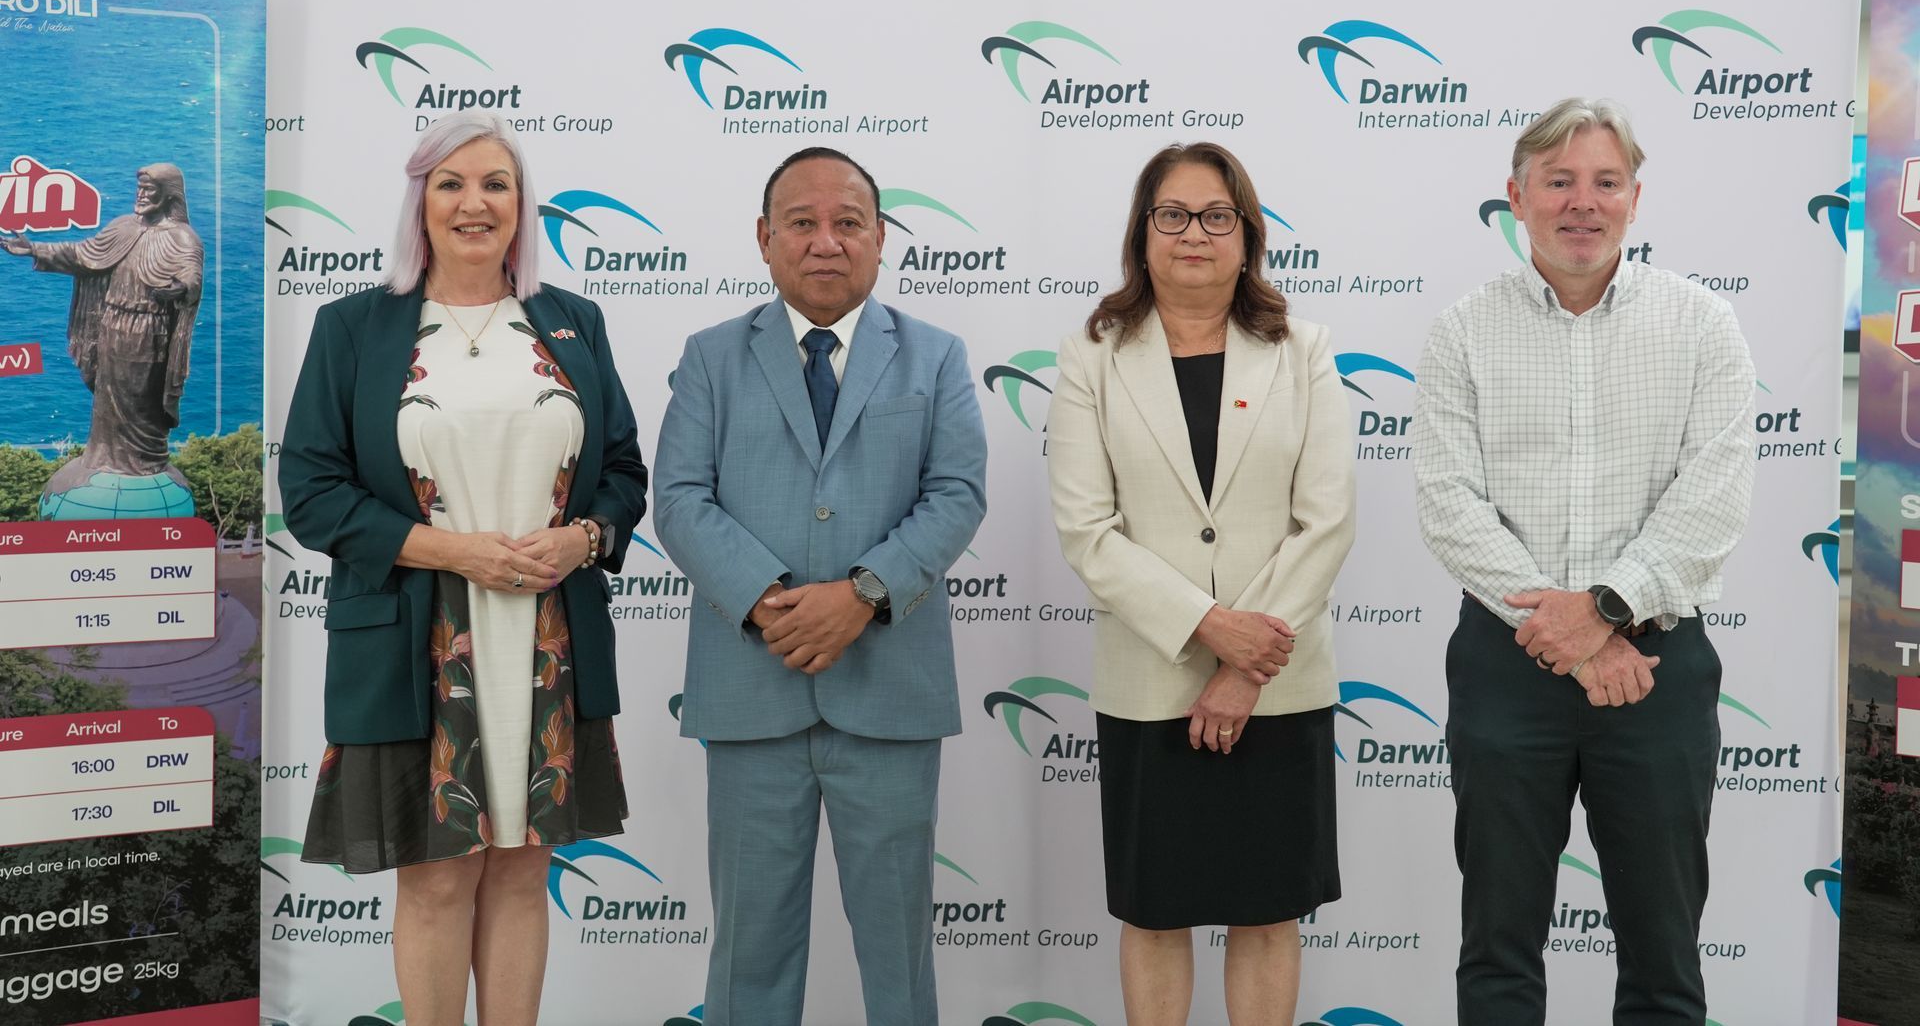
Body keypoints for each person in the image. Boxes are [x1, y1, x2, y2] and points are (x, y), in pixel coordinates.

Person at [279, 111, 648, 1026]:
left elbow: (624, 473)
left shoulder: (573, 322)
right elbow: (313, 492)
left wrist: (582, 541)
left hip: (548, 636)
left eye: (495, 184)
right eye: (451, 183)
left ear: (522, 206)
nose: (474, 203)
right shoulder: (355, 327)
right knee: (439, 883)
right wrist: (457, 551)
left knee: (523, 873)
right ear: (420, 203)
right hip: (416, 634)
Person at [1411, 97, 1756, 1025]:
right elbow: (1449, 505)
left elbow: (1713, 500)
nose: (1582, 202)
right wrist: (1576, 634)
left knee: (1663, 957)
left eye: (1604, 182)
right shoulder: (1462, 331)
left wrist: (1603, 609)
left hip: (1659, 668)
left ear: (1635, 199)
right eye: (1558, 181)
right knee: (1498, 948)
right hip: (1506, 665)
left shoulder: (1703, 326)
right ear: (1515, 197)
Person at [652, 146, 987, 1026]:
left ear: (881, 239)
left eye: (849, 223)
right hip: (751, 696)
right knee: (747, 957)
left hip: (890, 696)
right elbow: (680, 498)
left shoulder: (937, 356)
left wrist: (864, 593)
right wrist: (768, 603)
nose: (826, 241)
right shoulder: (712, 356)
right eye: (802, 222)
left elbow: (957, 494)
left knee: (900, 957)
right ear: (765, 239)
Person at [1048, 142, 1356, 1026]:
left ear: (1248, 235)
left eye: (1217, 215)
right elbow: (1087, 529)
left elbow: (1326, 518)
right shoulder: (1092, 356)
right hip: (1151, 682)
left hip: (1280, 680)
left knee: (1267, 908)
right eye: (1172, 215)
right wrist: (1210, 628)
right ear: (1142, 235)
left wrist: (1246, 663)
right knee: (1155, 910)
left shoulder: (1304, 349)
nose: (1194, 233)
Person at [3, 163, 202, 476]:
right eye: (139, 189)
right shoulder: (124, 227)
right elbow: (83, 255)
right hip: (111, 325)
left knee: (139, 402)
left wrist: (180, 287)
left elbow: (191, 276)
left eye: (150, 190)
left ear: (168, 195)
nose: (142, 195)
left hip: (148, 332)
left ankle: (144, 459)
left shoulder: (182, 238)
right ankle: (104, 457)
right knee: (107, 401)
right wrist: (34, 249)